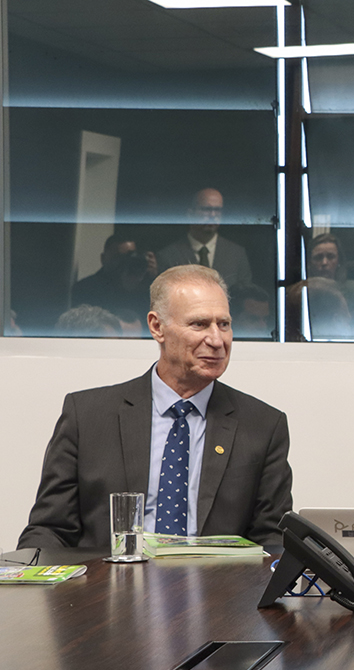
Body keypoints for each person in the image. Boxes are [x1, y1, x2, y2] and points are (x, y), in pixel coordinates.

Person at [19, 265, 293, 551]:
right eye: (199, 324)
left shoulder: (263, 425)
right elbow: (50, 530)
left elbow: (273, 541)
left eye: (223, 324)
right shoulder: (87, 416)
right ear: (157, 327)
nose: (217, 340)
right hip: (106, 589)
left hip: (218, 591)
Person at [156, 188, 254, 295]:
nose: (212, 215)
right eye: (206, 209)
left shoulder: (237, 254)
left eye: (217, 210)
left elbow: (247, 300)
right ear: (190, 214)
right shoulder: (168, 255)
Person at [71, 232, 155, 334]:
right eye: (119, 257)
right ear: (103, 259)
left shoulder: (144, 287)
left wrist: (153, 279)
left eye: (130, 256)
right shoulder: (85, 289)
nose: (125, 262)